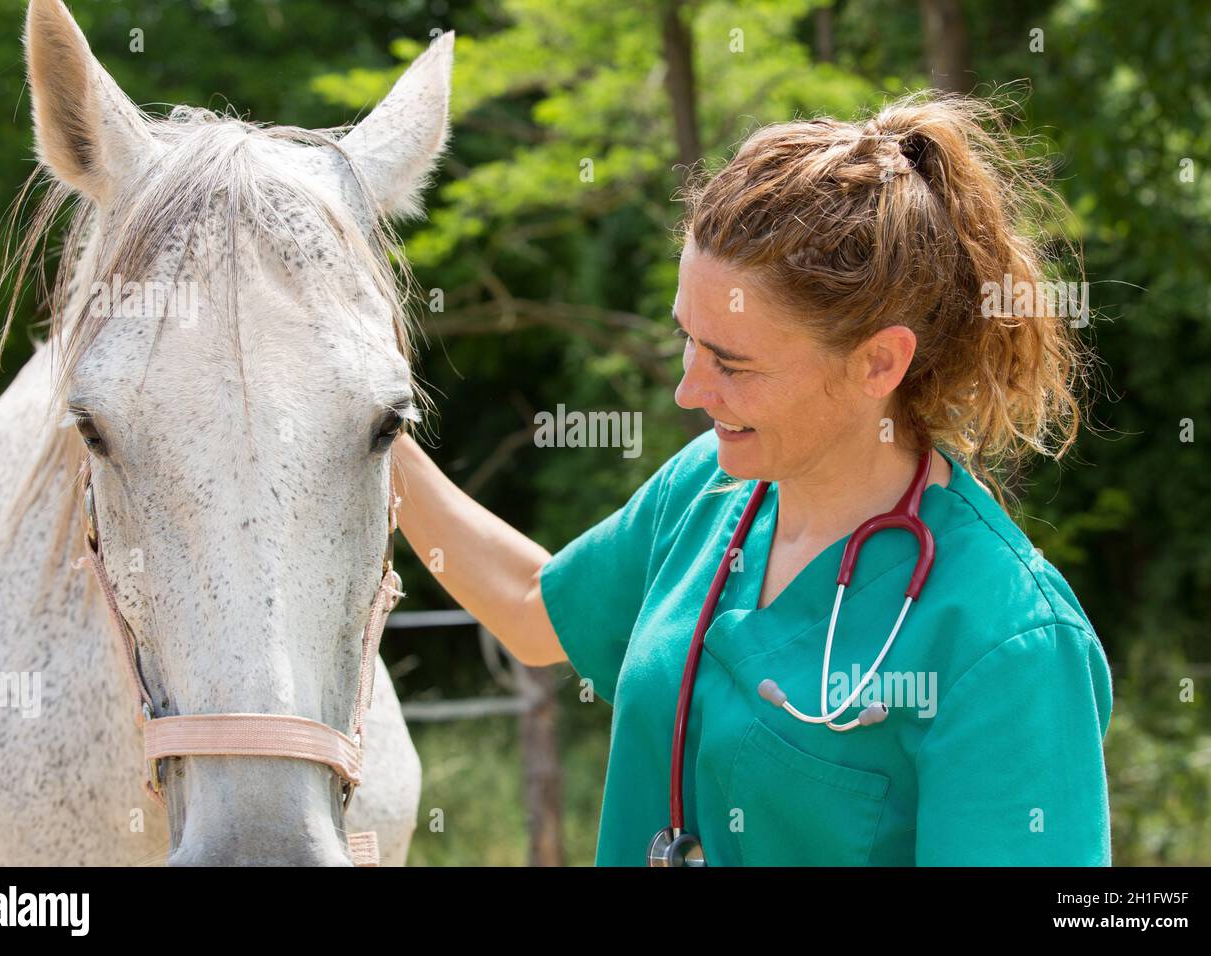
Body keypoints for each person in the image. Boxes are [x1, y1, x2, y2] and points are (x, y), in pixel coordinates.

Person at [391, 91, 1113, 866]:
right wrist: (367, 431)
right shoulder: (709, 488)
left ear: (880, 361)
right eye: (688, 341)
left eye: (733, 363)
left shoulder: (1008, 644)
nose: (689, 391)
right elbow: (532, 610)